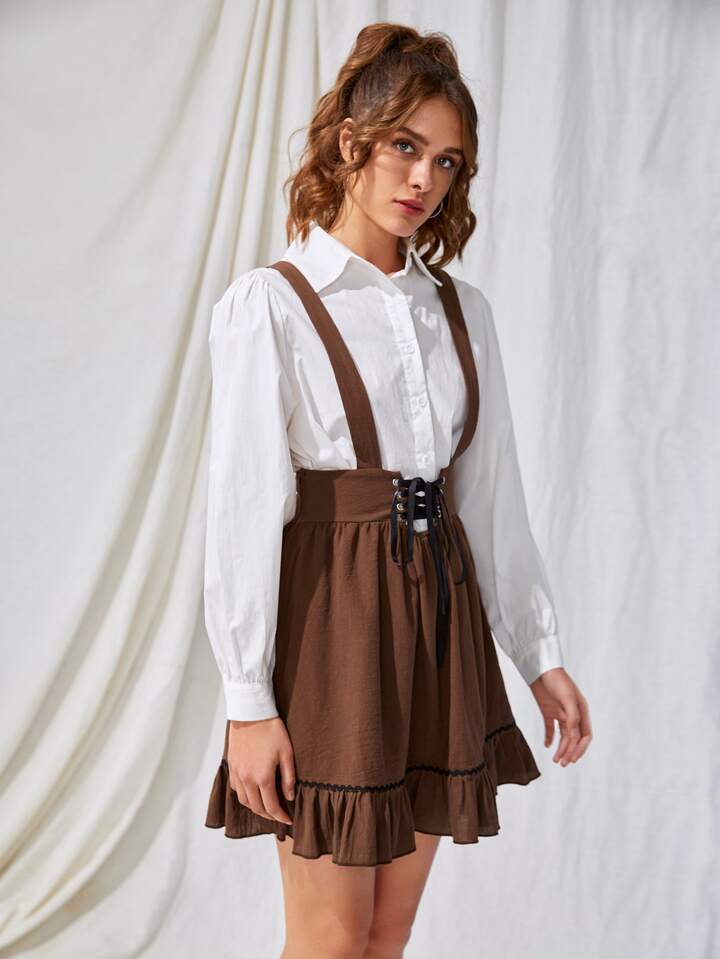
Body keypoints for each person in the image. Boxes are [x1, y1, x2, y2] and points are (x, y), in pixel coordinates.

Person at [203, 21, 592, 959]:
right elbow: (243, 510)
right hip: (331, 629)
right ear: (351, 143)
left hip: (438, 623)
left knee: (386, 934)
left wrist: (537, 651)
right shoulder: (272, 304)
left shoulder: (461, 312)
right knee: (331, 939)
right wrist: (248, 698)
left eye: (447, 162)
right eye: (405, 147)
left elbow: (490, 496)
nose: (424, 179)